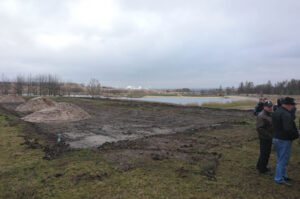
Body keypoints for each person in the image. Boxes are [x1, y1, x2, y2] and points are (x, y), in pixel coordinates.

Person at [272, 97, 299, 186]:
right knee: (282, 160)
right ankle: (279, 178)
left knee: (282, 159)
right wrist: (296, 135)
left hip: (277, 138)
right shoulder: (286, 114)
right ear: (288, 105)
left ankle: (283, 175)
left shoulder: (277, 111)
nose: (292, 107)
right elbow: (288, 129)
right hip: (284, 140)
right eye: (292, 105)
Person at [256, 100, 273, 175]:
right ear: (264, 107)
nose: (270, 108)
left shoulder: (269, 114)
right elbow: (260, 128)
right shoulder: (262, 115)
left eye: (271, 106)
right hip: (265, 138)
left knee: (264, 153)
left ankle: (259, 165)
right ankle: (263, 169)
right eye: (268, 107)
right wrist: (269, 136)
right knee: (265, 153)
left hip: (267, 137)